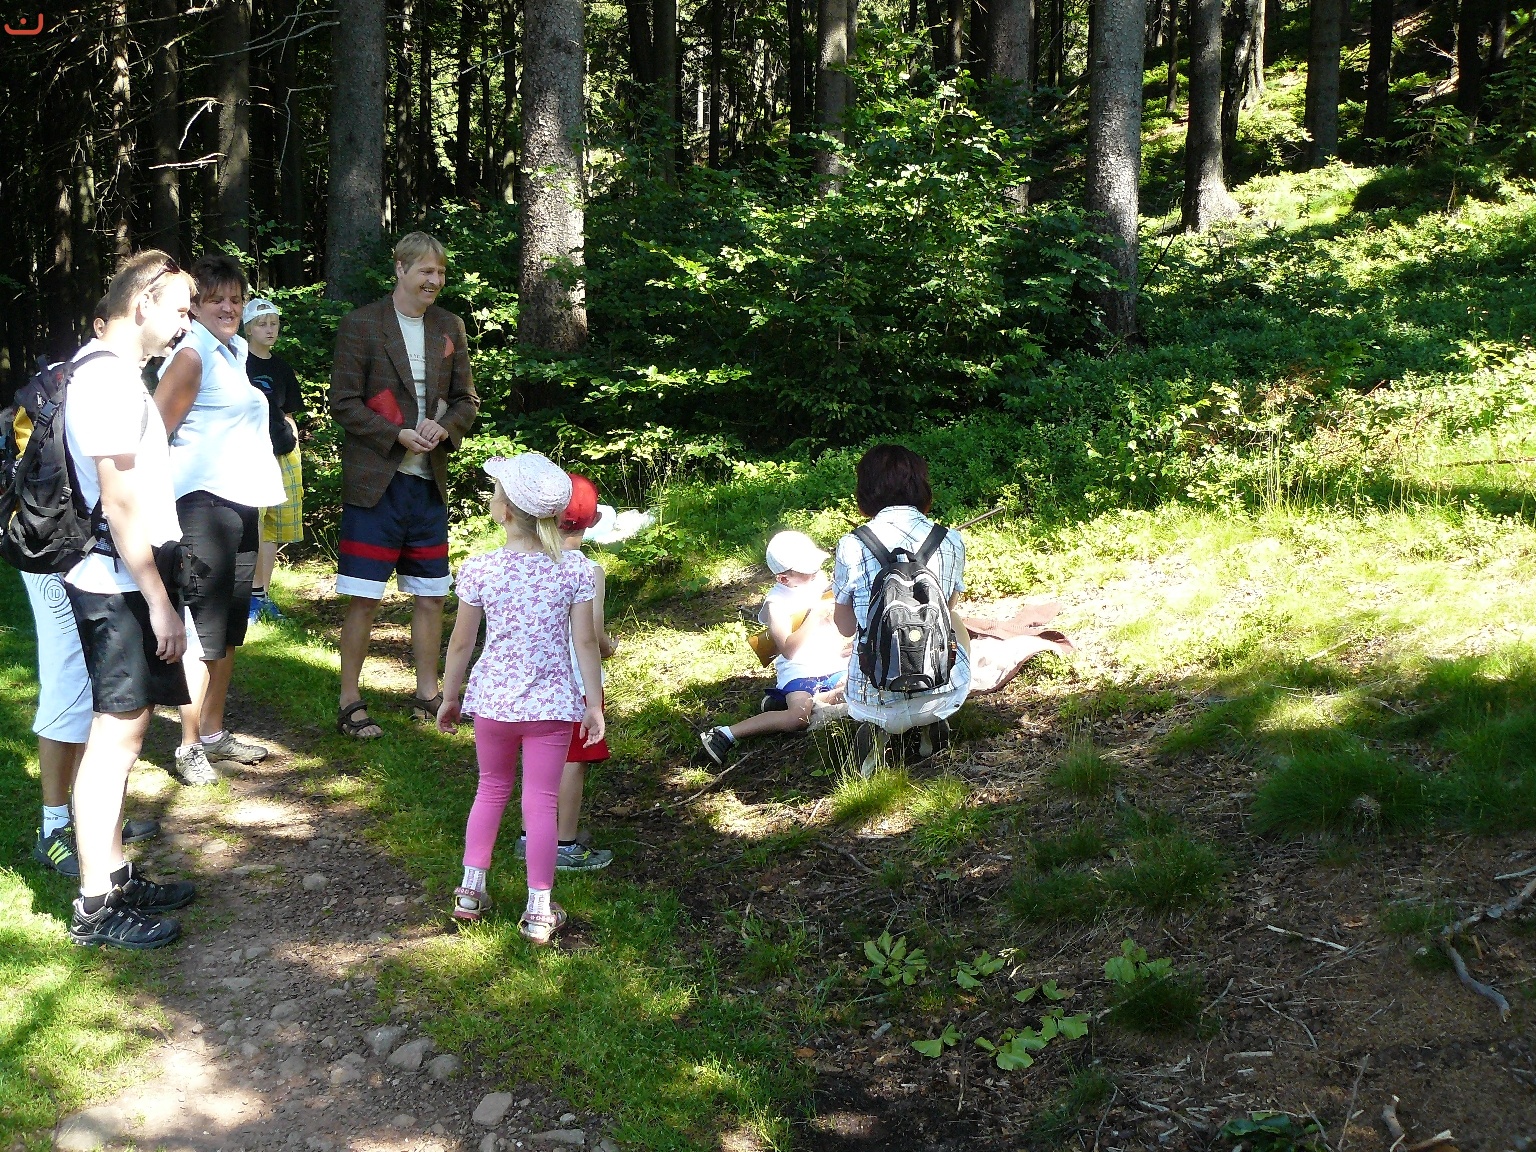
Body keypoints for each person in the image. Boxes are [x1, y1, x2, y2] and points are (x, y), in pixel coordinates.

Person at [62, 249, 198, 948]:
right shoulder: (106, 380)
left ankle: (114, 872)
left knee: (130, 732)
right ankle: (94, 905)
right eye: (179, 309)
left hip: (130, 576)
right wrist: (158, 600)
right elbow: (117, 504)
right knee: (113, 739)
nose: (185, 324)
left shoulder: (114, 373)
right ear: (142, 304)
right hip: (117, 581)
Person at [437, 453, 605, 945]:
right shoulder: (573, 569)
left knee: (490, 789)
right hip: (552, 705)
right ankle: (538, 909)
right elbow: (586, 643)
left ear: (505, 510)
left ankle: (471, 892)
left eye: (495, 494)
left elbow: (461, 643)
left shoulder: (481, 569)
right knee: (541, 803)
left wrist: (450, 695)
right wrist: (593, 704)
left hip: (493, 702)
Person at [330, 231, 480, 740]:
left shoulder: (449, 326)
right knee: (364, 597)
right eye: (425, 272)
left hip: (428, 484)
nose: (434, 281)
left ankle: (427, 695)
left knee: (432, 595)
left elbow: (466, 400)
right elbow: (343, 402)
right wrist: (395, 434)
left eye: (440, 273)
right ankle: (350, 700)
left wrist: (445, 427)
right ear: (400, 269)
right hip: (376, 483)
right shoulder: (362, 323)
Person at [154, 253, 285, 785]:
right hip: (201, 508)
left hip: (240, 504)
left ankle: (212, 732)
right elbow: (153, 435)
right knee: (201, 631)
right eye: (216, 300)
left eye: (236, 298)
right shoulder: (192, 355)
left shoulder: (233, 352)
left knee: (229, 629)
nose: (229, 308)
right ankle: (188, 746)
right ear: (195, 307)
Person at [832, 445, 971, 777]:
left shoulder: (852, 544)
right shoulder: (949, 540)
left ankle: (878, 731)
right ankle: (931, 723)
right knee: (955, 619)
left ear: (865, 491)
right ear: (921, 487)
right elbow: (947, 608)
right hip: (943, 694)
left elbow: (845, 627)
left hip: (871, 699)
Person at [23, 570, 159, 877]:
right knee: (67, 682)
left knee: (89, 681)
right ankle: (54, 829)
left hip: (82, 557)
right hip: (53, 554)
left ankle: (92, 818)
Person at [514, 473, 617, 871]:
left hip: (533, 678)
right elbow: (591, 633)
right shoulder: (589, 571)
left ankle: (529, 836)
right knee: (573, 759)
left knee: (537, 756)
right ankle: (564, 843)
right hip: (575, 682)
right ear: (593, 521)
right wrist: (609, 647)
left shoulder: (526, 563)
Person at [699, 530, 850, 766]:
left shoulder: (820, 581)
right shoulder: (777, 603)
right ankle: (726, 734)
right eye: (808, 570)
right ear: (784, 579)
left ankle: (797, 701)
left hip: (832, 660)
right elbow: (788, 649)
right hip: (800, 670)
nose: (816, 571)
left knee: (856, 690)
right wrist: (814, 616)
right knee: (798, 719)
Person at [242, 297, 305, 623]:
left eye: (274, 324)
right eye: (262, 324)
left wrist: (295, 450)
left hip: (283, 452)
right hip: (251, 454)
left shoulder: (281, 368)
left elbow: (288, 413)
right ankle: (248, 596)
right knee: (254, 523)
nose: (269, 330)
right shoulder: (238, 363)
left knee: (275, 527)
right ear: (248, 329)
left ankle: (262, 595)